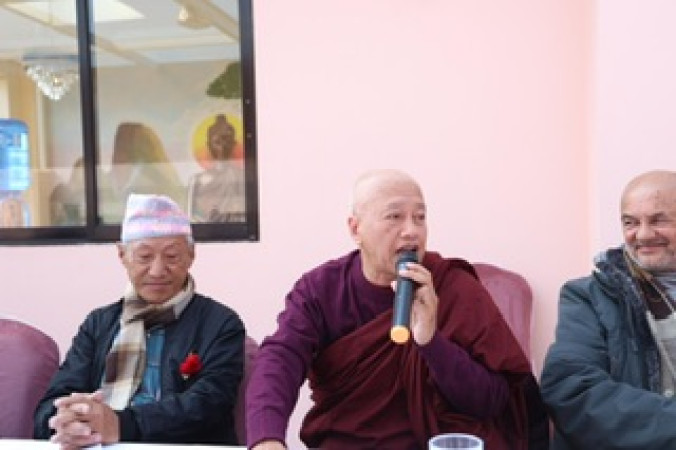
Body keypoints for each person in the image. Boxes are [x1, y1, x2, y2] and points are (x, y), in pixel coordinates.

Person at [245, 169, 550, 450]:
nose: (411, 231)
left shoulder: (454, 286)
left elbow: (491, 401)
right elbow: (281, 358)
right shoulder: (321, 290)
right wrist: (266, 438)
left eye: (420, 217)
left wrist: (432, 343)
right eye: (394, 217)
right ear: (356, 229)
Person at [34, 193, 245, 448]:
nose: (157, 271)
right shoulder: (99, 324)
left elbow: (209, 405)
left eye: (172, 256)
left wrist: (120, 425)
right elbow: (51, 406)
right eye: (144, 257)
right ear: (122, 255)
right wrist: (68, 420)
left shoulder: (220, 324)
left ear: (191, 255)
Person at [541, 170, 676, 449]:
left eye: (659, 220)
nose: (643, 234)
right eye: (630, 222)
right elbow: (572, 390)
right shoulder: (587, 297)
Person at [187, 114, 246, 223]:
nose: (222, 147)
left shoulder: (242, 177)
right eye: (217, 142)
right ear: (209, 145)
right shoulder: (197, 180)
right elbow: (191, 217)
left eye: (227, 141)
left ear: (234, 144)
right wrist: (209, 223)